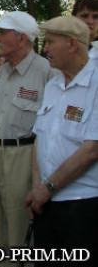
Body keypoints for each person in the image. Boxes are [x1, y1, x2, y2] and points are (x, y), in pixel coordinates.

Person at [0, 11, 58, 258]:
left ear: (22, 38)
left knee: (19, 232)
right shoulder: (2, 71)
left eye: (2, 32)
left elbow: (53, 127)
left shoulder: (46, 71)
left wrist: (40, 178)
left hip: (24, 157)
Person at [26, 16, 98, 266]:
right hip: (47, 204)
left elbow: (92, 150)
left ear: (72, 44)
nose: (45, 48)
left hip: (82, 205)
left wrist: (47, 188)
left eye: (50, 42)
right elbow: (40, 138)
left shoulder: (95, 84)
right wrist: (38, 188)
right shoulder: (54, 84)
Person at [71, 0, 98, 65]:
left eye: (95, 17)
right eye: (85, 16)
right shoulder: (62, 48)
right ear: (74, 18)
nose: (90, 21)